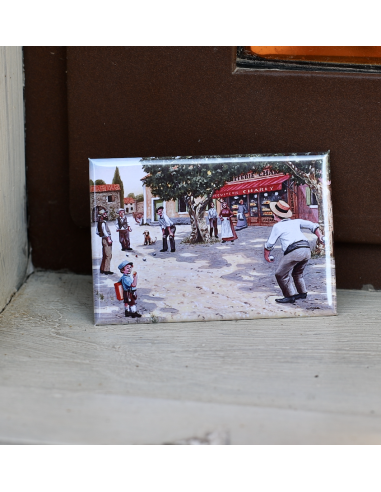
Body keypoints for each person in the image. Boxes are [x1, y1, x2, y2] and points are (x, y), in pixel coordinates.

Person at [264, 200, 324, 304]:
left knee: (280, 274)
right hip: (306, 250)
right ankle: (302, 293)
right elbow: (312, 225)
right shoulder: (296, 221)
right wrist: (320, 236)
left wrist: (266, 256)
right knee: (297, 273)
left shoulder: (277, 226)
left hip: (294, 251)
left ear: (275, 215)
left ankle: (289, 296)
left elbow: (270, 244)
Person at [96, 208, 113, 275]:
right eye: (105, 214)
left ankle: (102, 269)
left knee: (105, 255)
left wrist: (102, 236)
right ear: (102, 215)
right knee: (108, 255)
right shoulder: (103, 223)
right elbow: (105, 231)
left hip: (103, 239)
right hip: (106, 238)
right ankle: (106, 270)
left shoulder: (99, 223)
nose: (106, 215)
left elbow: (97, 232)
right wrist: (108, 238)